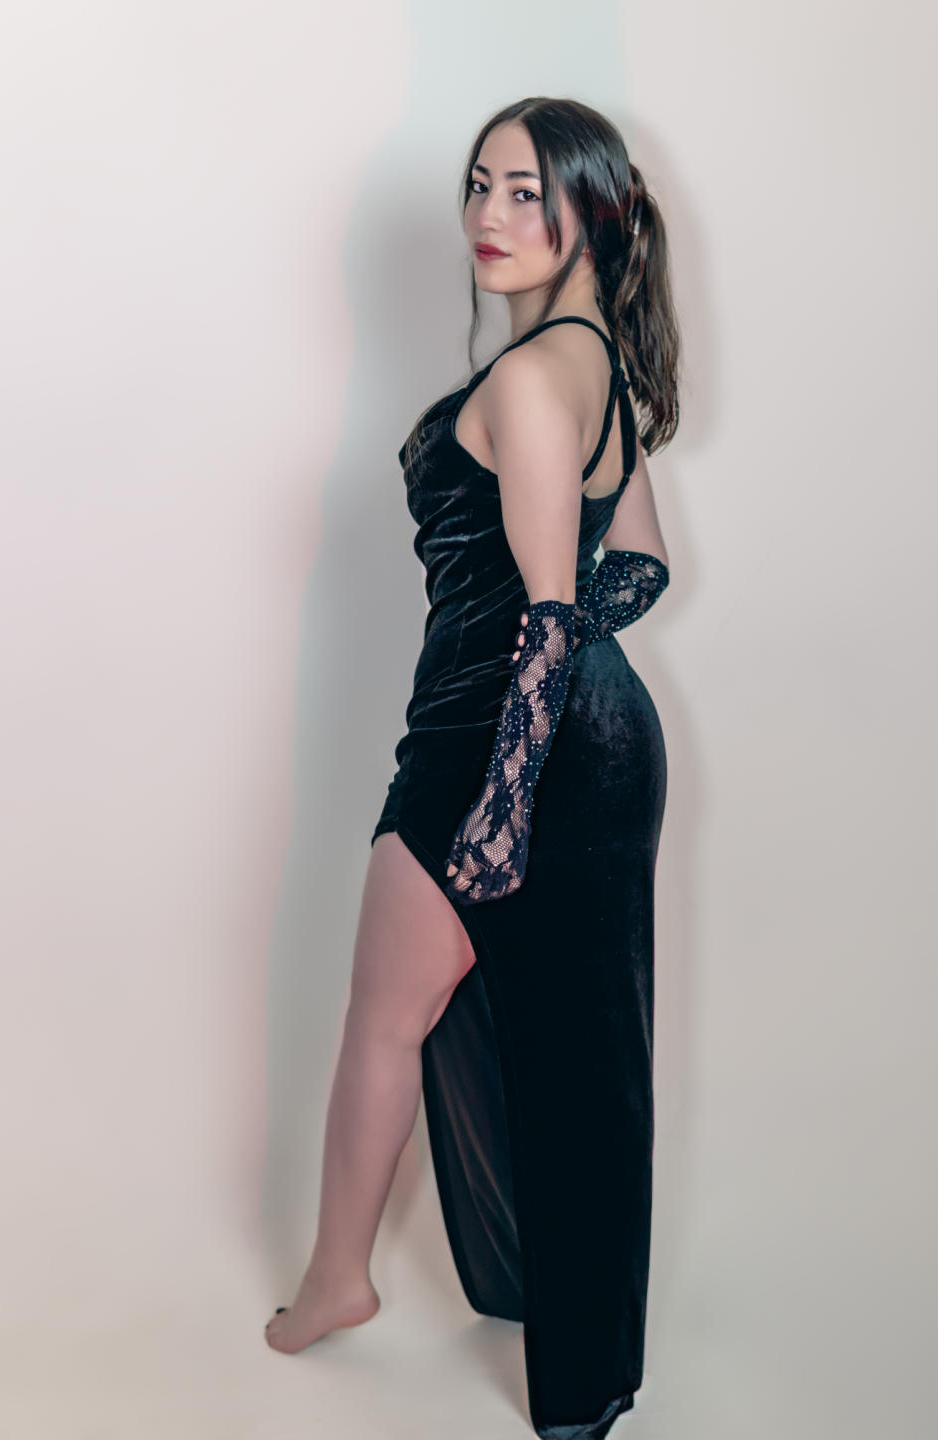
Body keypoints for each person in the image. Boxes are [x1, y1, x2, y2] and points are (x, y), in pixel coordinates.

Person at [265, 95, 679, 1440]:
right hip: (577, 733)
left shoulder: (531, 380)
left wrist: (501, 807)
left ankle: (337, 1281)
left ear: (590, 213)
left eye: (525, 193)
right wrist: (566, 677)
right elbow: (641, 564)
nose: (490, 218)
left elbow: (551, 615)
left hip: (501, 736)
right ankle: (553, 1343)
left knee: (387, 1017)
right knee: (580, 1044)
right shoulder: (595, 368)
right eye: (480, 186)